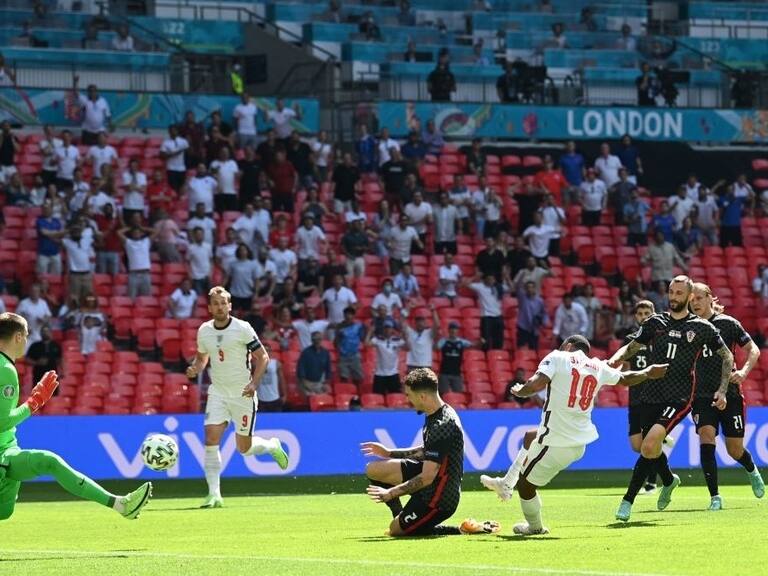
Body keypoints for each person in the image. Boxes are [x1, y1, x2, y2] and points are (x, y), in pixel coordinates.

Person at [480, 335, 667, 534]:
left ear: (568, 346)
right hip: (578, 441)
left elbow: (537, 384)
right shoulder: (596, 366)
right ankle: (506, 484)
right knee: (530, 436)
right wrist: (647, 372)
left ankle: (535, 527)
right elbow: (624, 379)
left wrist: (520, 391)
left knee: (526, 486)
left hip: (557, 442)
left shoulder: (558, 357)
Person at [0, 313, 152, 520]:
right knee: (49, 462)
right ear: (18, 337)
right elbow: (3, 422)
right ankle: (119, 504)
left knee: (5, 511)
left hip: (7, 450)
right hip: (3, 452)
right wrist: (34, 403)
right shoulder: (6, 370)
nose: (27, 340)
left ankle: (120, 505)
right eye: (26, 335)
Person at [608, 275, 732, 522]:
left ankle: (626, 502)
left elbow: (727, 357)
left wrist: (722, 388)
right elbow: (631, 346)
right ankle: (668, 481)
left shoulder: (702, 327)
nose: (673, 297)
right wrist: (615, 359)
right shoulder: (656, 322)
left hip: (680, 397)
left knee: (650, 443)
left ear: (689, 296)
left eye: (679, 293)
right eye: (671, 292)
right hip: (650, 393)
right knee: (649, 447)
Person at [363, 368, 500, 537]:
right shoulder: (436, 413)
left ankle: (461, 529)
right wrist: (389, 453)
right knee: (374, 469)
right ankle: (402, 519)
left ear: (422, 397)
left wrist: (390, 493)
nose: (408, 400)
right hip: (432, 479)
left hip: (439, 497)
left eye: (409, 395)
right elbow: (427, 451)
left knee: (394, 531)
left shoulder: (442, 425)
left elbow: (427, 477)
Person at [186, 286, 289, 508]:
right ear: (210, 307)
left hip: (243, 393)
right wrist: (195, 368)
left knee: (244, 449)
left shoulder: (242, 328)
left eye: (223, 303)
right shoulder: (204, 330)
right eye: (216, 303)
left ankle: (271, 446)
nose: (220, 307)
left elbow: (263, 357)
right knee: (211, 439)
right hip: (218, 392)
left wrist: (254, 383)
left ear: (230, 306)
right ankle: (214, 495)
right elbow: (202, 359)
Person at [689, 283, 764, 510]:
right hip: (701, 395)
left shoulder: (728, 324)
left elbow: (754, 350)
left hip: (730, 394)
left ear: (710, 298)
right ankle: (715, 497)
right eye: (692, 300)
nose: (695, 303)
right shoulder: (689, 327)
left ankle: (751, 469)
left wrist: (743, 372)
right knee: (706, 436)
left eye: (699, 298)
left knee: (734, 450)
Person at [365, 320, 407, 394]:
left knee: (396, 398)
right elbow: (366, 344)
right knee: (377, 398)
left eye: (389, 328)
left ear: (392, 329)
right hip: (380, 374)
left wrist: (405, 335)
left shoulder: (397, 340)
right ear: (383, 329)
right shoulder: (378, 339)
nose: (387, 330)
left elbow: (408, 348)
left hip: (393, 373)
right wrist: (370, 332)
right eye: (385, 328)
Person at [436, 321, 475, 393]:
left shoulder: (462, 342)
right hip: (444, 373)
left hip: (456, 374)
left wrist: (481, 342)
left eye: (455, 329)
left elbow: (473, 345)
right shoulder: (443, 341)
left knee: (458, 395)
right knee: (443, 395)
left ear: (457, 331)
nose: (453, 331)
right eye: (452, 328)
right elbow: (436, 347)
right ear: (449, 330)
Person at [335, 307, 366, 388]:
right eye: (346, 314)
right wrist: (339, 339)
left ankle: (358, 396)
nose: (348, 316)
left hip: (355, 354)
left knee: (358, 378)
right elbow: (335, 343)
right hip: (343, 355)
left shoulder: (358, 326)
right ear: (344, 315)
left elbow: (363, 338)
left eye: (350, 314)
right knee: (343, 377)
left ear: (353, 316)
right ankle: (344, 395)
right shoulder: (340, 327)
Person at [403, 305, 439, 371]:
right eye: (418, 321)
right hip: (412, 366)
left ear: (425, 323)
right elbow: (401, 323)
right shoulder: (410, 332)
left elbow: (437, 325)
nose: (420, 323)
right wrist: (407, 309)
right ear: (415, 323)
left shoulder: (429, 333)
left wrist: (433, 311)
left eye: (422, 321)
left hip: (426, 366)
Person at [296, 332, 332, 396]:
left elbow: (328, 368)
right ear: (312, 340)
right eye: (315, 339)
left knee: (326, 394)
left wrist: (326, 382)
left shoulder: (325, 353)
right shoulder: (306, 352)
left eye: (319, 339)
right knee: (312, 396)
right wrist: (304, 382)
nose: (317, 341)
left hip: (319, 382)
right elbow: (301, 368)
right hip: (307, 382)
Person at [257, 343, 286, 412]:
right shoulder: (255, 364)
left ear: (270, 352)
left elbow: (282, 380)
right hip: (261, 399)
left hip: (274, 398)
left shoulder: (276, 363)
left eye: (268, 350)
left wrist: (284, 394)